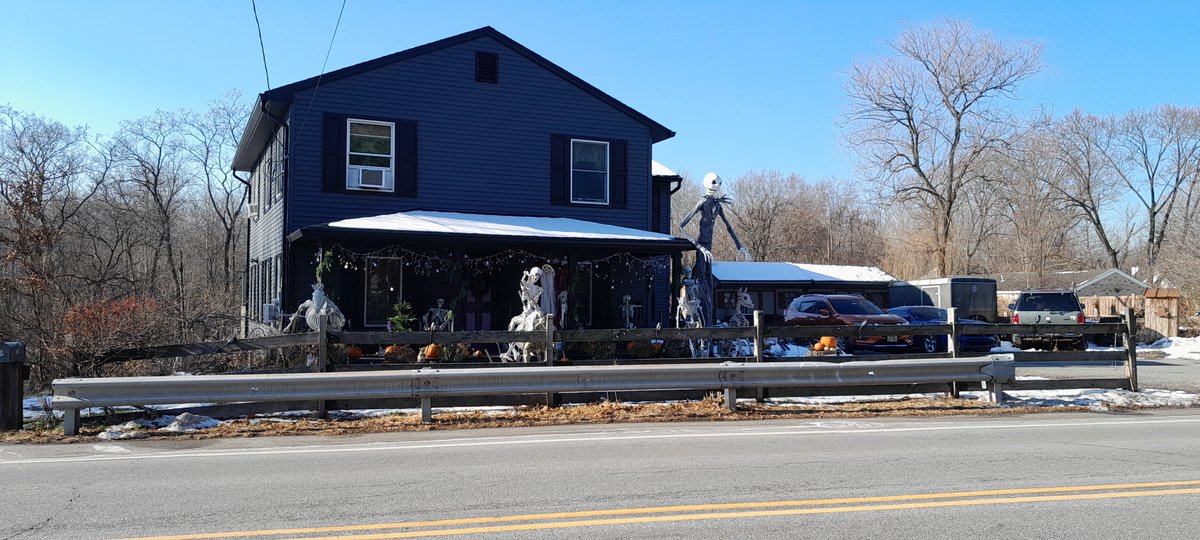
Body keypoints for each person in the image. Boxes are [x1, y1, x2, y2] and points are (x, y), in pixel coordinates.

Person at [678, 172, 750, 324]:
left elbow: (728, 226)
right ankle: (701, 323)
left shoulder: (717, 205)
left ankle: (709, 324)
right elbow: (681, 225)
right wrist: (698, 247)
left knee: (709, 283)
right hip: (702, 246)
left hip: (709, 248)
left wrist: (740, 246)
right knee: (703, 279)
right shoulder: (702, 202)